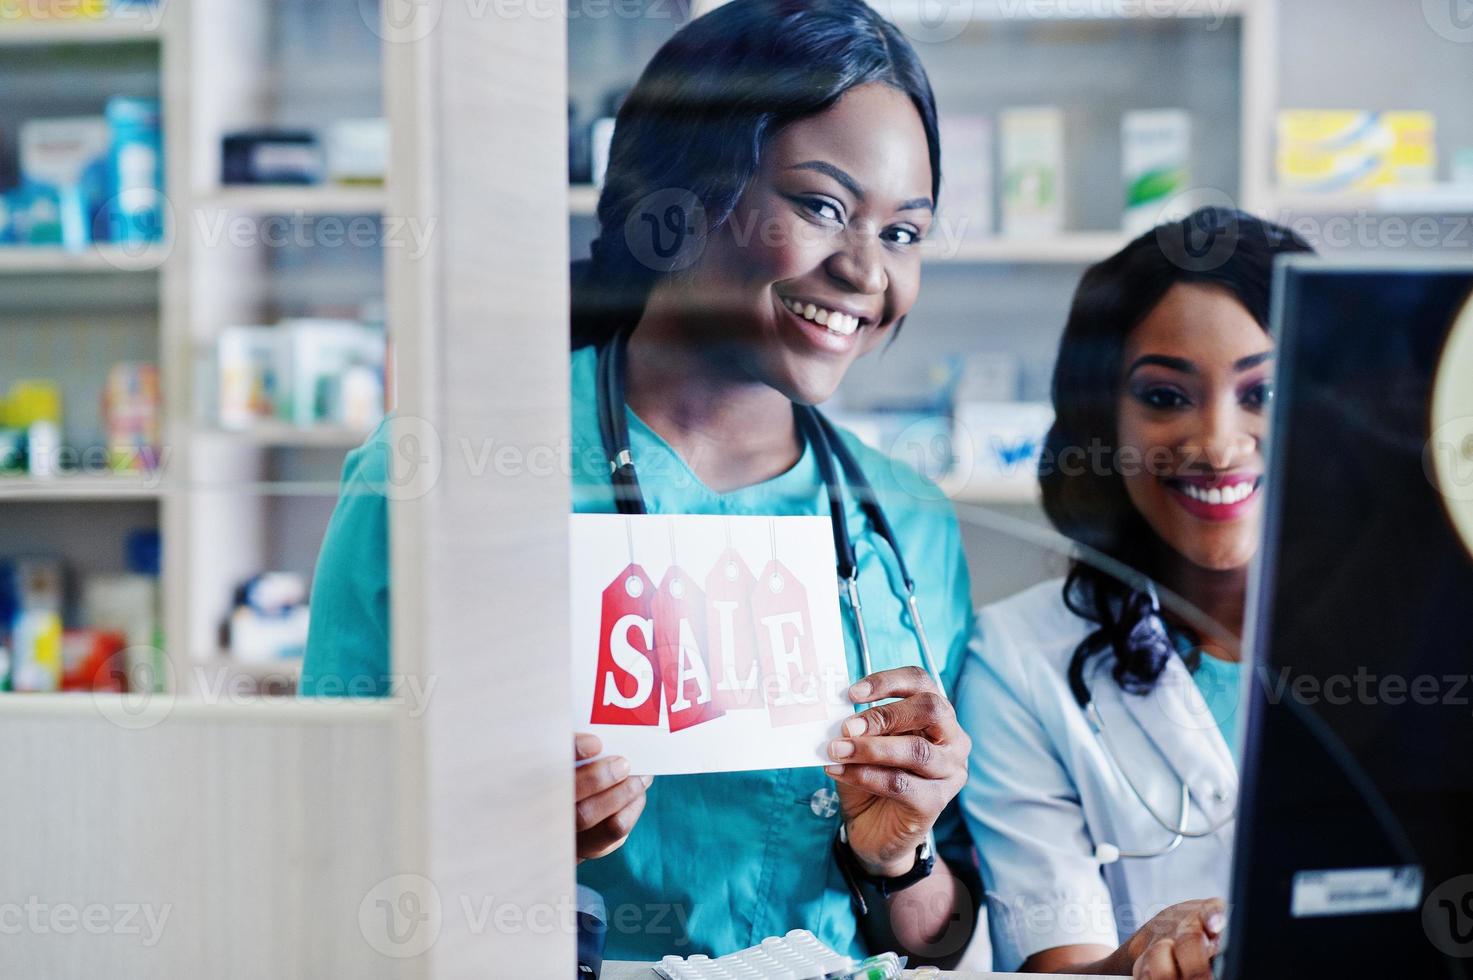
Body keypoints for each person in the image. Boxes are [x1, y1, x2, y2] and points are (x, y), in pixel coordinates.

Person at [304, 0, 984, 965]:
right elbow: (324, 849)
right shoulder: (439, 480)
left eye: (903, 233)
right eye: (822, 206)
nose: (866, 272)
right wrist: (503, 848)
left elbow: (943, 939)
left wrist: (900, 856)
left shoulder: (905, 523)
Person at [954, 209, 1313, 979]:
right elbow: (1059, 965)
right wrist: (1138, 960)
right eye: (1163, 396)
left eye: (1266, 392)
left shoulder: (1425, 636)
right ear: (1099, 416)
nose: (1217, 445)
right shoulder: (1018, 659)